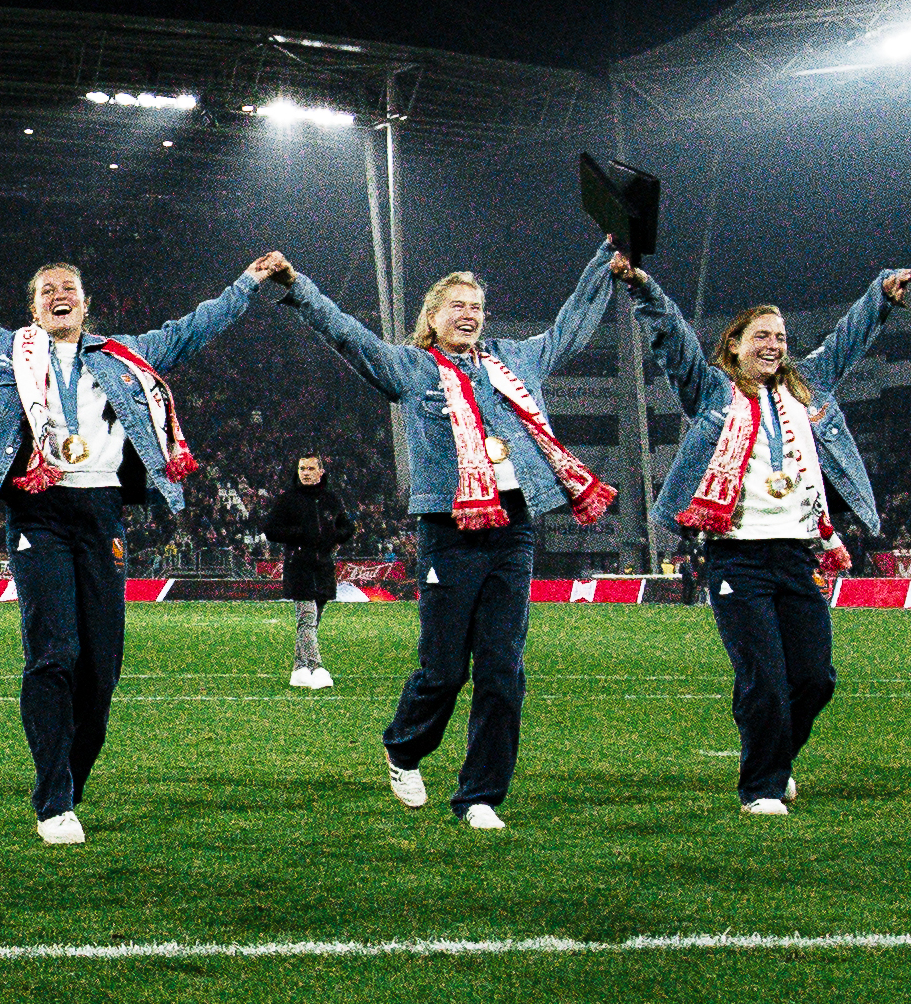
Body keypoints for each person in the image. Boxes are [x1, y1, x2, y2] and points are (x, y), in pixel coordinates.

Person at [0, 228, 275, 842]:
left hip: (103, 513)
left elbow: (197, 327)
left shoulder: (127, 355)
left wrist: (247, 284)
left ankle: (68, 778)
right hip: (39, 511)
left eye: (70, 289)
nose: (60, 296)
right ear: (32, 308)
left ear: (86, 304)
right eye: (47, 291)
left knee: (102, 669)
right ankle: (53, 799)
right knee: (54, 651)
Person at [258, 244, 631, 830]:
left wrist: (603, 264)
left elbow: (571, 327)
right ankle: (404, 747)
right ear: (431, 318)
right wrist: (297, 285)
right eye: (456, 306)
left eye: (477, 306)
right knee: (443, 669)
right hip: (450, 531)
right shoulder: (414, 369)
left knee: (503, 669)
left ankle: (480, 795)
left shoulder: (515, 361)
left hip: (513, 529)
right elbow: (351, 336)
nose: (469, 314)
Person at [625, 264, 908, 814]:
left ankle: (776, 754)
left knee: (816, 679)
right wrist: (644, 288)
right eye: (761, 336)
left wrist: (882, 294)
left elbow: (848, 337)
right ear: (734, 344)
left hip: (798, 555)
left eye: (780, 337)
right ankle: (761, 787)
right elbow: (674, 339)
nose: (773, 345)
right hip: (737, 558)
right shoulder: (711, 391)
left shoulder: (809, 386)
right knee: (763, 678)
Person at [261, 453, 355, 691]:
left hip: (323, 566)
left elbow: (347, 526)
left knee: (313, 621)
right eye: (302, 468)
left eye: (310, 468)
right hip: (299, 566)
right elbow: (271, 530)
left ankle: (299, 669)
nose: (305, 472)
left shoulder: (331, 500)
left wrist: (334, 537)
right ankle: (317, 668)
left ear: (320, 471)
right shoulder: (288, 500)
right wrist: (300, 534)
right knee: (306, 619)